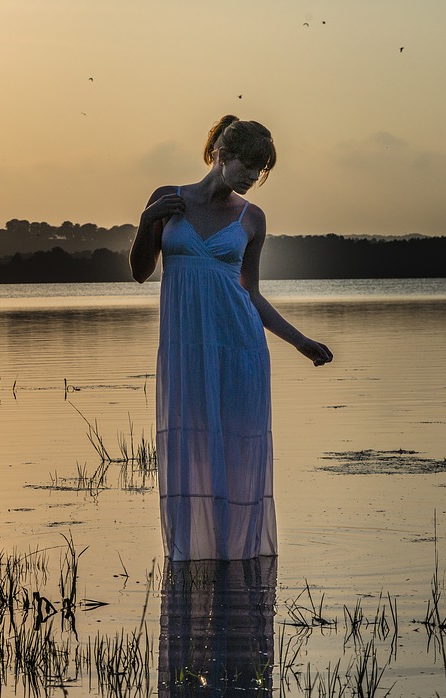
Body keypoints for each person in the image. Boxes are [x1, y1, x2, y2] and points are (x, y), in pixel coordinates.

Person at [129, 115, 333, 562]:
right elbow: (140, 272)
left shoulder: (251, 218)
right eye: (249, 165)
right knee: (191, 448)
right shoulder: (168, 200)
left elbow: (250, 293)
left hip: (241, 350)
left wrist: (301, 342)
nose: (253, 177)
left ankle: (238, 566)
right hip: (186, 353)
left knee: (239, 454)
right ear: (221, 153)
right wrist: (147, 222)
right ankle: (191, 557)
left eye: (261, 170)